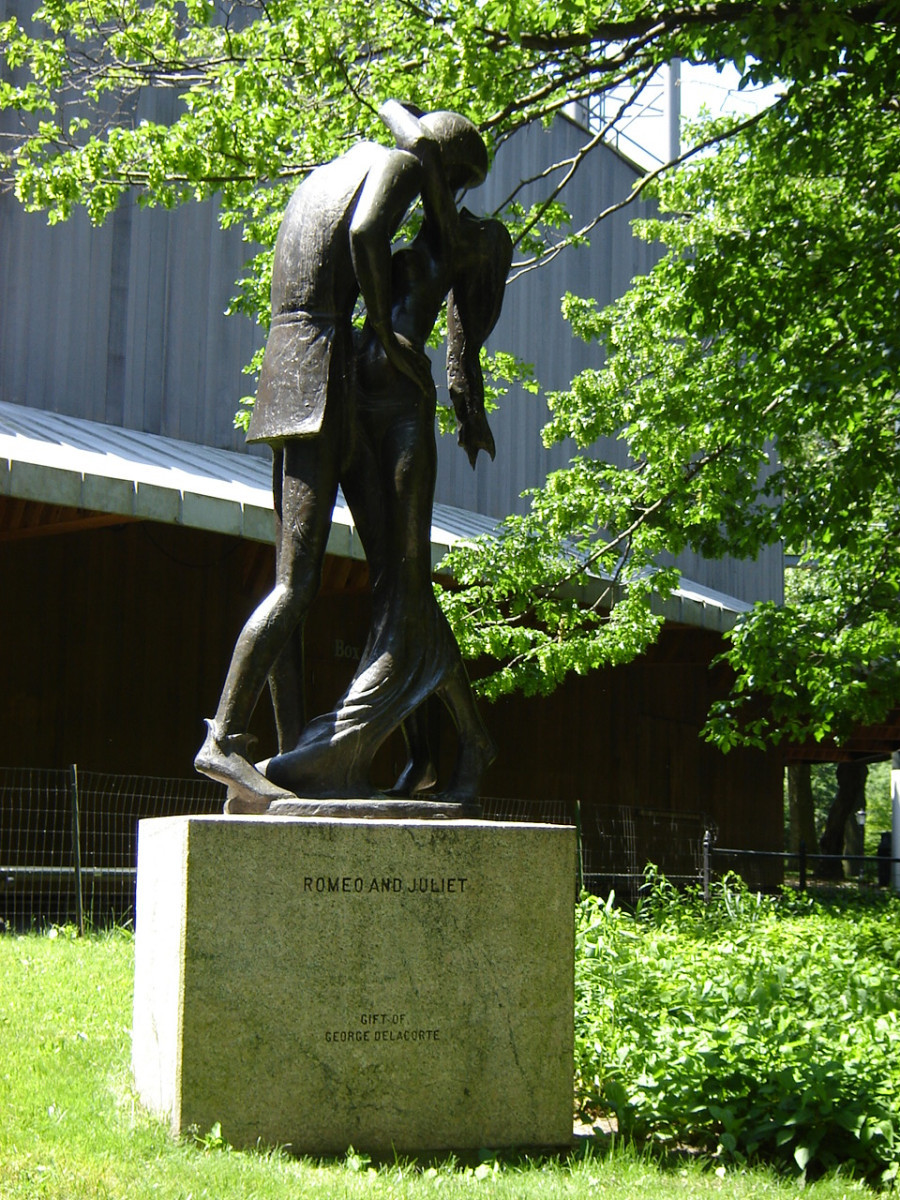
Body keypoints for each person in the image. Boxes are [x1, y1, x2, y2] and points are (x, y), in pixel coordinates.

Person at [194, 105, 489, 810]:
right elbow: (365, 235)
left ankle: (287, 757)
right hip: (324, 374)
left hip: (288, 370)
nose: (445, 201)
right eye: (456, 184)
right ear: (441, 165)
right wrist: (385, 334)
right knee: (296, 587)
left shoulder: (327, 174)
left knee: (291, 578)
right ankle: (225, 742)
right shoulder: (397, 167)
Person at [262, 114, 513, 804]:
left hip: (400, 408)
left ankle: (461, 745)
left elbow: (465, 345)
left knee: (406, 587)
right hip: (351, 403)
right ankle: (423, 755)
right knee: (387, 591)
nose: (452, 189)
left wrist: (469, 409)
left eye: (458, 179)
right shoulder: (417, 208)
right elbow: (415, 151)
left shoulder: (471, 240)